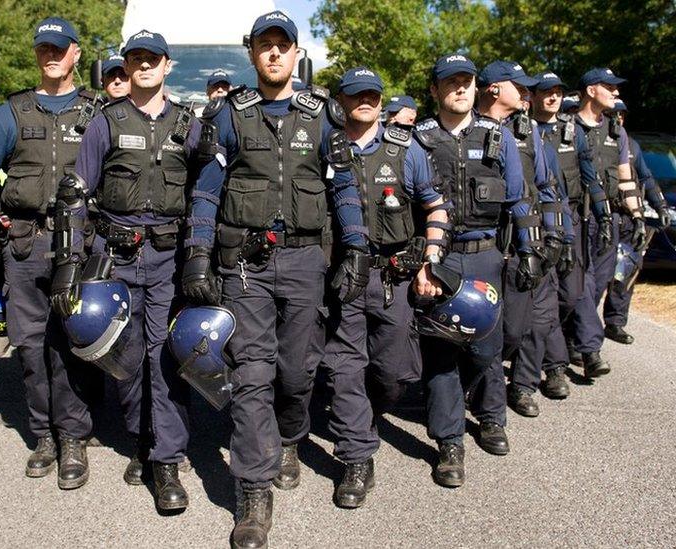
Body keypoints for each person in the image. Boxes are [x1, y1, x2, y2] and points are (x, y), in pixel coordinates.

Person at [184, 11, 366, 547]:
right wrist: (197, 252)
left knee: (295, 372)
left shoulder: (323, 115)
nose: (273, 55)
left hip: (307, 260)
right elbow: (206, 191)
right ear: (253, 54)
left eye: (282, 46)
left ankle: (291, 435)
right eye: (264, 46)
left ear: (295, 53)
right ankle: (253, 495)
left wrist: (354, 246)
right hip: (245, 263)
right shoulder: (229, 115)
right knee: (253, 373)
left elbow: (344, 188)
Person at [52, 28, 202, 511]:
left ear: (166, 65)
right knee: (128, 356)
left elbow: (206, 193)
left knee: (165, 356)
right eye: (134, 58)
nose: (143, 66)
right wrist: (69, 263)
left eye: (151, 58)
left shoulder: (188, 123)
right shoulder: (106, 122)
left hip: (168, 258)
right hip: (116, 255)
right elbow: (75, 195)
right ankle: (141, 437)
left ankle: (166, 461)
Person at [0, 17, 100, 490]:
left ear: (75, 54)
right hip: (23, 242)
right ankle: (43, 435)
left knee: (70, 344)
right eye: (44, 47)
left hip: (76, 245)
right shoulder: (13, 111)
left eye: (59, 48)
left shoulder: (96, 110)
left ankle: (73, 438)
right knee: (29, 346)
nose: (51, 55)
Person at [412, 53, 541, 487]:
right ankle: (449, 441)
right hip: (441, 258)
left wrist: (528, 250)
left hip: (488, 254)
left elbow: (520, 200)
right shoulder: (418, 139)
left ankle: (491, 417)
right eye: (451, 82)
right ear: (435, 91)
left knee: (490, 344)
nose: (461, 88)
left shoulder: (499, 138)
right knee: (442, 350)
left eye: (467, 81)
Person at [324, 67, 450, 508]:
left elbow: (435, 207)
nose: (366, 101)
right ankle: (357, 457)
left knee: (394, 372)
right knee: (344, 367)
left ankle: (368, 414)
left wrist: (430, 262)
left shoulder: (405, 150)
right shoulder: (326, 146)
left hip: (390, 279)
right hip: (338, 278)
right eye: (356, 94)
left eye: (373, 95)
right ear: (341, 99)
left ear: (381, 100)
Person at [472, 61, 562, 418]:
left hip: (523, 244)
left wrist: (555, 235)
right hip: (481, 247)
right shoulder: (464, 127)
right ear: (494, 89)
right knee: (485, 333)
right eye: (520, 87)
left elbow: (545, 184)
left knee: (519, 330)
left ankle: (520, 385)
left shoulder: (528, 132)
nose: (527, 95)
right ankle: (486, 405)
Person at [531, 71, 608, 398]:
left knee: (572, 293)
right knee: (543, 298)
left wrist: (604, 215)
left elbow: (590, 176)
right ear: (533, 95)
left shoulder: (572, 131)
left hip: (571, 219)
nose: (553, 97)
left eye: (558, 92)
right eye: (546, 92)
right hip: (535, 222)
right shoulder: (522, 131)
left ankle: (554, 345)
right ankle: (554, 369)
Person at [569, 68, 646, 377]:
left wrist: (637, 216)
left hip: (609, 219)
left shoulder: (617, 131)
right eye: (609, 87)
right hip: (577, 217)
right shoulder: (568, 128)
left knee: (599, 283)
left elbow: (626, 177)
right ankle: (591, 350)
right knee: (582, 283)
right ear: (590, 90)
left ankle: (573, 339)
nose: (616, 92)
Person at [602, 100, 671, 344]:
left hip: (630, 219)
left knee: (626, 271)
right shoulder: (597, 141)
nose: (618, 118)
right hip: (603, 218)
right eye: (613, 113)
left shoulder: (632, 145)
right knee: (595, 278)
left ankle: (615, 322)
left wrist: (659, 204)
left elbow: (646, 177)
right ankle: (577, 336)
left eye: (621, 114)